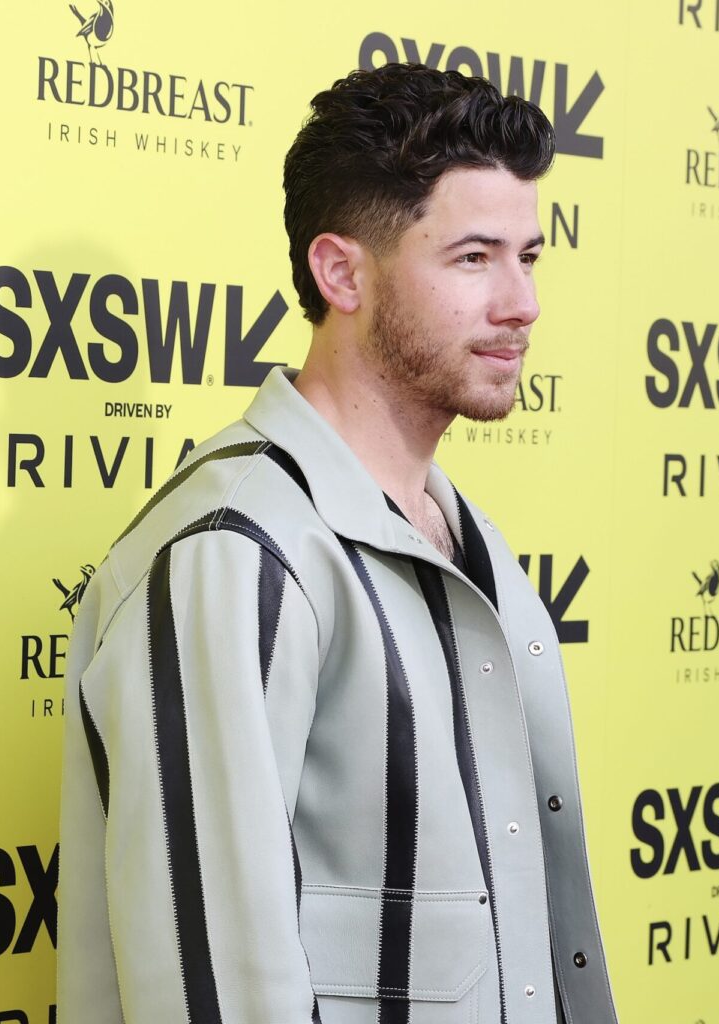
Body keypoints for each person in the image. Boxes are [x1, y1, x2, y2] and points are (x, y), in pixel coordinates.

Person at [57, 63, 620, 1024]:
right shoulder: (234, 554)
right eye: (474, 258)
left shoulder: (467, 536)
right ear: (340, 271)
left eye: (530, 256)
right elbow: (216, 994)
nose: (522, 303)